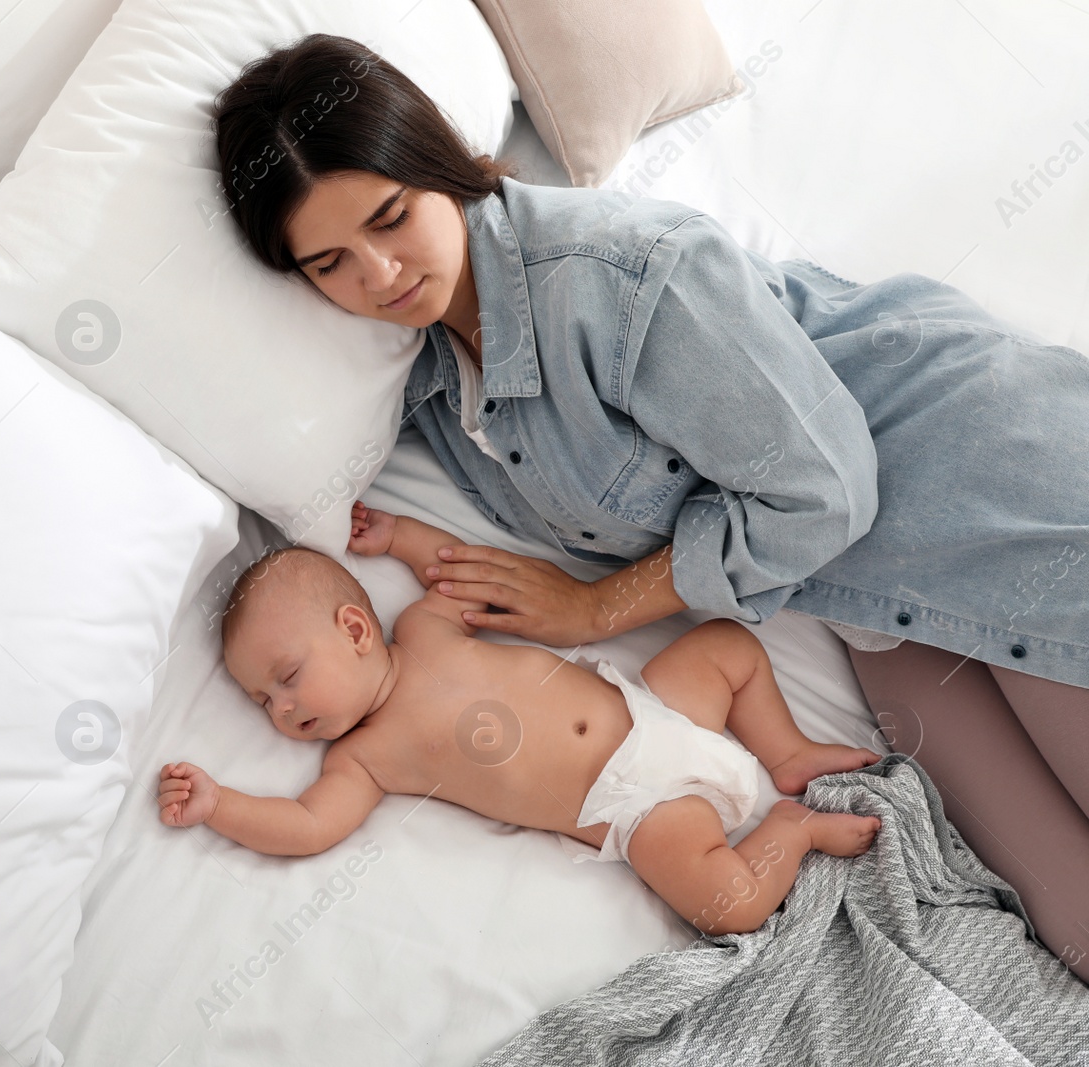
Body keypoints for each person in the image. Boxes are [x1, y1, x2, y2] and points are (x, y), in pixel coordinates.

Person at [212, 33, 1089, 980]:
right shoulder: (430, 382)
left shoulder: (623, 277)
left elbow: (824, 491)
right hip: (871, 601)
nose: (378, 277)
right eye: (331, 263)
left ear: (435, 165)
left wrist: (596, 607)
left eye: (390, 218)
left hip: (980, 481)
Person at [158, 504, 883, 935]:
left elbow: (458, 572)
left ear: (354, 628)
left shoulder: (425, 628)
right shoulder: (364, 758)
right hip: (636, 809)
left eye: (286, 679)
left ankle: (783, 751)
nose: (283, 709)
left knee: (729, 645)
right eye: (263, 702)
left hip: (650, 706)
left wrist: (399, 533)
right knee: (733, 906)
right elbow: (309, 826)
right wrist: (221, 804)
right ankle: (795, 829)